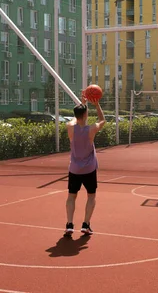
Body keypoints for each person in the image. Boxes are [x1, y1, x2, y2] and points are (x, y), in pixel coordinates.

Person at [64, 91, 106, 236]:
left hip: (74, 169)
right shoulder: (91, 129)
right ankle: (85, 224)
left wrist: (84, 104)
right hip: (89, 169)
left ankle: (69, 224)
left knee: (71, 196)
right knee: (91, 196)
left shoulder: (70, 127)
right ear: (86, 115)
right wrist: (97, 104)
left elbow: (75, 120)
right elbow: (102, 120)